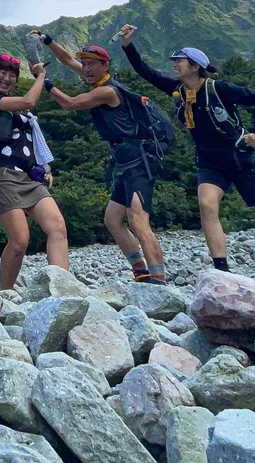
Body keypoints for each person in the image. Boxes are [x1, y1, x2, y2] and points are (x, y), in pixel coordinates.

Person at [116, 25, 255, 269]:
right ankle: (222, 268)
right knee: (206, 205)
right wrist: (128, 45)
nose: (174, 65)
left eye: (179, 61)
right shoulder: (178, 91)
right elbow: (145, 72)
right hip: (209, 162)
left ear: (195, 66)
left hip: (240, 158)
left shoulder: (219, 89)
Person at [35, 33, 169, 284]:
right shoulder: (98, 80)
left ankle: (159, 280)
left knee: (138, 221)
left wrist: (45, 82)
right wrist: (48, 41)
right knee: (113, 219)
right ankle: (140, 271)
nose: (86, 68)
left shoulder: (107, 91)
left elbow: (70, 103)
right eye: (84, 64)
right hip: (125, 161)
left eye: (91, 64)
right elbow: (67, 60)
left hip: (139, 160)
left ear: (105, 66)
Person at [0, 53, 70, 290]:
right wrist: (41, 76)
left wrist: (43, 168)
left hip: (28, 177)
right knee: (19, 240)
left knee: (57, 226)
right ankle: (5, 294)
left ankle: (62, 292)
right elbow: (28, 101)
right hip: (3, 175)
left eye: (12, 75)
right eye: (2, 72)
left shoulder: (17, 111)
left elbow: (27, 143)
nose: (6, 78)